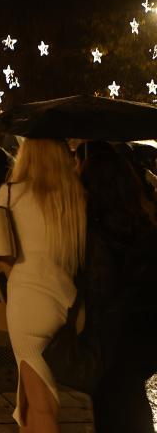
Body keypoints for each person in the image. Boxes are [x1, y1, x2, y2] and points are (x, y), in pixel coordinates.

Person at [0, 138, 86, 432]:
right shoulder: (75, 194)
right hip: (70, 301)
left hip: (28, 304)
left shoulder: (12, 192)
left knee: (42, 404)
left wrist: (16, 273)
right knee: (29, 399)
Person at [80, 148, 157, 433]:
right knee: (131, 401)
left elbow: (99, 288)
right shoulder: (144, 222)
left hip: (112, 336)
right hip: (144, 333)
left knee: (114, 407)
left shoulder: (96, 233)